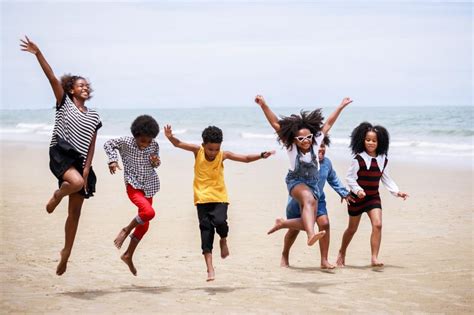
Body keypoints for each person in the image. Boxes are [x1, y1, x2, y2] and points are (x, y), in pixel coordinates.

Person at [20, 36, 102, 275]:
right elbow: (51, 77)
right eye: (81, 85)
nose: (85, 88)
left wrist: (87, 168)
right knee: (74, 183)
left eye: (87, 85)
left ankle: (66, 252)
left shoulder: (94, 115)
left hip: (79, 161)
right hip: (60, 153)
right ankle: (57, 195)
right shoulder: (63, 101)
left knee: (75, 213)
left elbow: (91, 144)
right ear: (71, 89)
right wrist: (38, 54)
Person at [164, 124, 273, 282]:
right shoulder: (197, 151)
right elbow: (178, 143)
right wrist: (169, 136)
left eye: (216, 149)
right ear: (204, 145)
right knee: (206, 231)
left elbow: (246, 159)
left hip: (219, 197)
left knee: (220, 222)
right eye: (210, 149)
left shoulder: (223, 155)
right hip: (201, 198)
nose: (213, 152)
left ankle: (223, 239)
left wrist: (261, 155)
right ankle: (210, 269)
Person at [255, 95, 352, 247]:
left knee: (308, 220)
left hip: (313, 185)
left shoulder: (316, 143)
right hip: (296, 181)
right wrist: (264, 105)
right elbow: (275, 123)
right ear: (294, 140)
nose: (305, 141)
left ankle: (283, 223)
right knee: (308, 199)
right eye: (301, 139)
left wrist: (340, 106)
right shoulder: (291, 147)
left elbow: (328, 124)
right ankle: (311, 235)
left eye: (308, 137)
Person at [336, 122, 409, 268]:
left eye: (374, 140)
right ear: (362, 141)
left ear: (379, 142)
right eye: (368, 140)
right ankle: (341, 252)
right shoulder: (358, 159)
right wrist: (358, 190)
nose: (370, 142)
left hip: (373, 198)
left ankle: (374, 258)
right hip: (357, 198)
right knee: (352, 229)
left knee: (378, 224)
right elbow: (350, 178)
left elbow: (386, 178)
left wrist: (397, 192)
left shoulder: (383, 159)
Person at [282, 135, 353, 269]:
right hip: (298, 201)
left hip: (318, 199)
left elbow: (333, 179)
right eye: (318, 146)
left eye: (323, 146)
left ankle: (324, 260)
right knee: (293, 230)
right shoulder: (302, 161)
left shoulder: (326, 163)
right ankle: (285, 255)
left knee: (325, 224)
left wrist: (344, 193)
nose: (320, 149)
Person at [103, 115, 161, 276]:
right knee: (149, 213)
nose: (146, 144)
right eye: (143, 140)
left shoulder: (154, 144)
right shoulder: (126, 142)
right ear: (135, 135)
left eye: (149, 141)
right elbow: (108, 144)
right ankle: (126, 230)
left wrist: (156, 161)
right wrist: (113, 161)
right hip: (133, 186)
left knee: (145, 223)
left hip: (149, 185)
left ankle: (128, 255)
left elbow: (156, 163)